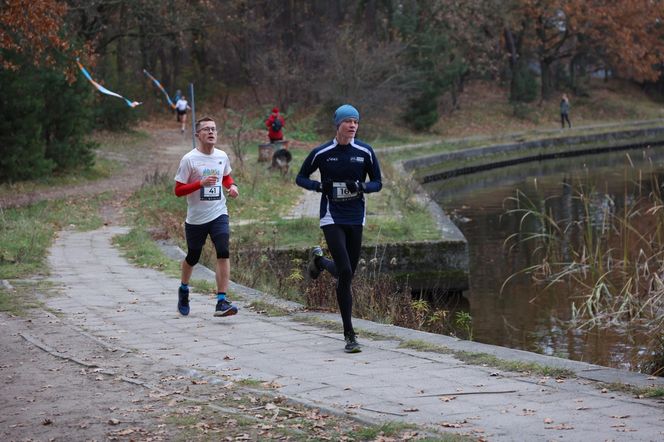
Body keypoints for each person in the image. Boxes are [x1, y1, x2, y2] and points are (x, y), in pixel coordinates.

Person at [295, 104, 382, 353]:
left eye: (356, 121)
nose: (353, 125)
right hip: (331, 216)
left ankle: (320, 262)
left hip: (356, 217)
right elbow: (300, 177)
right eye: (348, 121)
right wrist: (318, 187)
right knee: (344, 270)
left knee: (347, 274)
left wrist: (363, 188)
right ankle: (349, 334)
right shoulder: (322, 152)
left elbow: (378, 182)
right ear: (338, 124)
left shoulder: (365, 151)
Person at [174, 116, 240, 318]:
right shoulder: (189, 159)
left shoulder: (222, 156)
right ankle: (184, 289)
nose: (211, 132)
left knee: (223, 250)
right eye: (206, 129)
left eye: (214, 129)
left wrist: (232, 186)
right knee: (193, 256)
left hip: (219, 212)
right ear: (197, 135)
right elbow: (178, 190)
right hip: (196, 218)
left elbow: (226, 175)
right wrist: (199, 184)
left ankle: (221, 301)